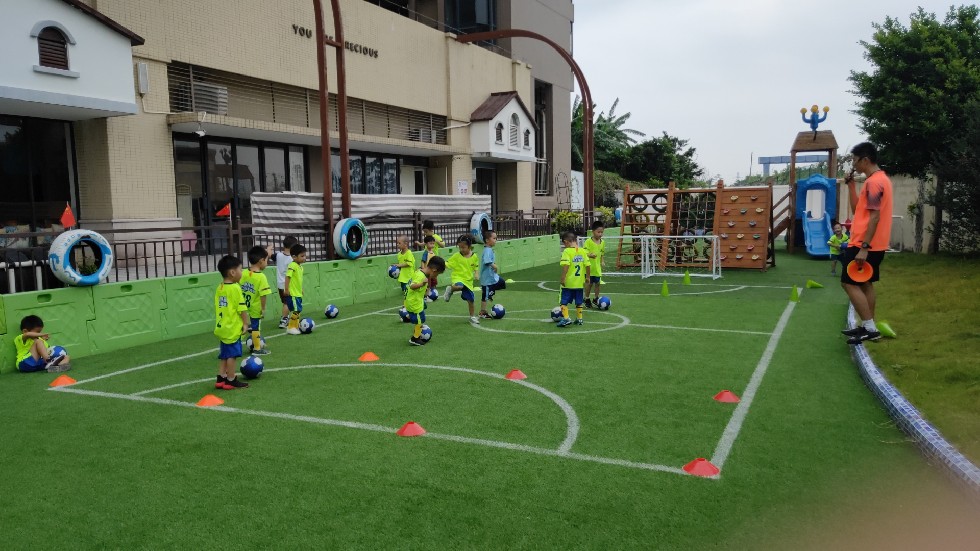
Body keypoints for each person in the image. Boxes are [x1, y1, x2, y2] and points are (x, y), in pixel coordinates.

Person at [840, 142, 893, 345]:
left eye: (855, 160)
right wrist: (851, 186)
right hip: (869, 243)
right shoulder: (876, 180)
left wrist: (864, 247)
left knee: (848, 282)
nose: (854, 165)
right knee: (864, 283)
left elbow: (875, 217)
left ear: (865, 160)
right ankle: (867, 326)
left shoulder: (875, 183)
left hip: (864, 244)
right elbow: (857, 211)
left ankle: (870, 328)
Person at [214, 255, 249, 389]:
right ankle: (230, 379)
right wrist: (245, 323)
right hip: (232, 327)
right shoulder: (235, 288)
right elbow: (242, 308)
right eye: (241, 269)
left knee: (224, 354)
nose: (242, 272)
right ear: (232, 272)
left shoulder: (220, 287)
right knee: (232, 355)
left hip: (222, 326)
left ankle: (221, 377)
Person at [406, 256, 446, 345]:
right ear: (434, 270)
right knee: (420, 320)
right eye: (437, 274)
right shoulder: (420, 275)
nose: (436, 276)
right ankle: (415, 338)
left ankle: (411, 318)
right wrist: (422, 284)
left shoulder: (422, 273)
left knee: (422, 315)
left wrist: (426, 290)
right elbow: (412, 286)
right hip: (414, 302)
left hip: (417, 300)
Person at [240, 245, 272, 355]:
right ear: (261, 261)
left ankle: (236, 346)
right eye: (266, 260)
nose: (267, 263)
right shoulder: (261, 277)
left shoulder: (244, 273)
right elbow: (263, 295)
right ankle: (257, 349)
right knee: (256, 327)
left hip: (242, 305)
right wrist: (263, 308)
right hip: (255, 307)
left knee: (241, 325)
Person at [443, 234, 481, 325]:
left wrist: (476, 273)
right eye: (460, 247)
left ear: (469, 246)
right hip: (458, 277)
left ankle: (472, 317)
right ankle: (450, 289)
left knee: (471, 300)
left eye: (463, 247)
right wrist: (440, 264)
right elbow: (447, 263)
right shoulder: (456, 256)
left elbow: (476, 266)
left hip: (468, 281)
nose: (461, 249)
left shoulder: (474, 256)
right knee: (459, 286)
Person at [557, 231, 590, 327]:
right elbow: (588, 265)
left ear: (566, 242)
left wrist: (563, 277)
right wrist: (588, 277)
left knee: (563, 301)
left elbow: (566, 265)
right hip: (579, 283)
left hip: (569, 283)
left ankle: (566, 318)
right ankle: (579, 319)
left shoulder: (567, 251)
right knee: (579, 302)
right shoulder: (583, 251)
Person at [478, 230, 506, 319]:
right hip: (487, 279)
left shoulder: (489, 249)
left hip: (492, 277)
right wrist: (495, 266)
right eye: (494, 238)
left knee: (502, 283)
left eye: (496, 238)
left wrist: (494, 267)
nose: (495, 240)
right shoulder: (487, 250)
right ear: (487, 240)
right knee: (485, 296)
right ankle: (482, 312)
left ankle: (491, 292)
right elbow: (487, 261)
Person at [275, 236, 299, 328]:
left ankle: (286, 318)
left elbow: (270, 255)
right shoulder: (292, 260)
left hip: (280, 285)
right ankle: (284, 320)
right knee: (287, 303)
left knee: (286, 302)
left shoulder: (278, 255)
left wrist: (268, 250)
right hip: (287, 285)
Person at [283, 243, 307, 335]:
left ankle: (295, 326)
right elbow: (288, 277)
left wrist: (301, 289)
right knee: (296, 310)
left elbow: (298, 280)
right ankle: (291, 327)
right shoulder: (292, 265)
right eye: (302, 256)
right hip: (293, 293)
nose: (304, 258)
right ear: (294, 257)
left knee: (298, 310)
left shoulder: (300, 267)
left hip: (297, 293)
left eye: (305, 255)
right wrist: (286, 289)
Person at [582, 220, 606, 307]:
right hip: (589, 267)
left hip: (597, 268)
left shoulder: (602, 242)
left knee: (598, 283)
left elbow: (602, 253)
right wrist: (589, 255)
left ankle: (596, 298)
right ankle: (587, 298)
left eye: (601, 232)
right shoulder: (588, 242)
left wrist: (602, 261)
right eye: (598, 232)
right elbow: (584, 253)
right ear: (593, 232)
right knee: (589, 284)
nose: (600, 234)